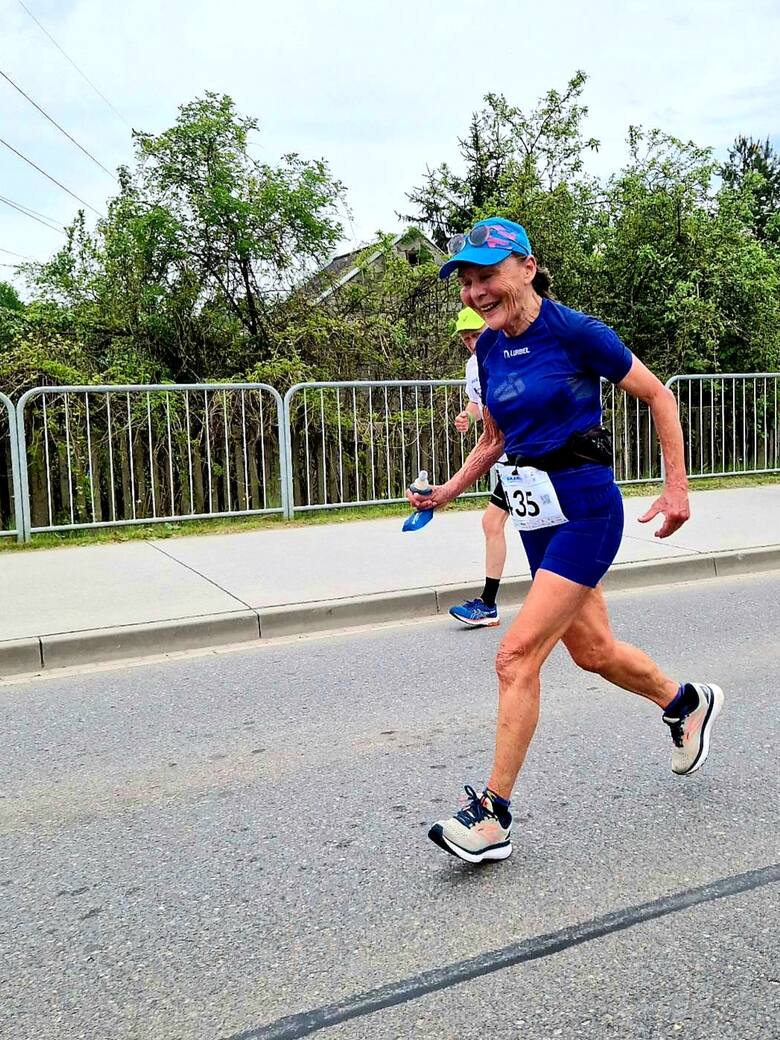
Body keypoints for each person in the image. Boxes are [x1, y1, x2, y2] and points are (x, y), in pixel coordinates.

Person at [408, 216, 724, 865]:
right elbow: (495, 440)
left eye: (485, 275)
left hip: (585, 510)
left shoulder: (576, 333)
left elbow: (659, 396)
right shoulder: (490, 349)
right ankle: (685, 702)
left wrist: (677, 489)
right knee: (593, 651)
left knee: (515, 654)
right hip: (536, 516)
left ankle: (492, 816)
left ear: (525, 268)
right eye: (465, 282)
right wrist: (446, 490)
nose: (475, 291)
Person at [449, 306, 510, 628]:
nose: (471, 343)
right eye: (466, 338)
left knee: (493, 523)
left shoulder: (508, 352)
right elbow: (479, 404)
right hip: (507, 456)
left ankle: (489, 604)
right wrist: (467, 416)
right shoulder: (473, 365)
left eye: (476, 335)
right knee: (494, 524)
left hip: (524, 455)